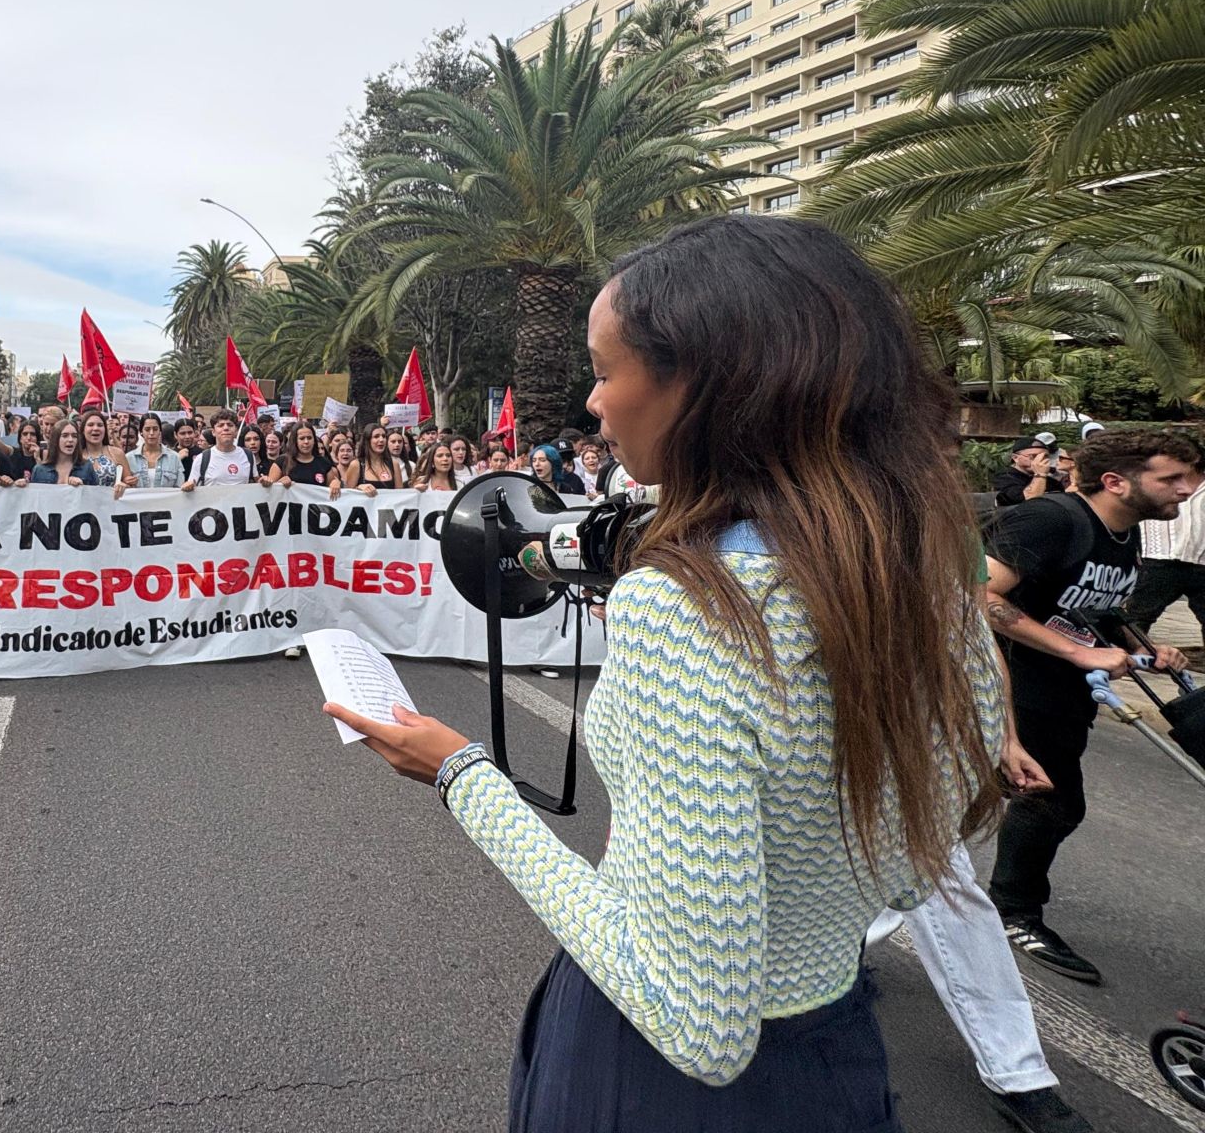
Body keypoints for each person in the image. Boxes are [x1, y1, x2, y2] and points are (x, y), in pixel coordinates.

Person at [324, 216, 1004, 1131]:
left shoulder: (686, 609)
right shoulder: (924, 567)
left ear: (707, 383)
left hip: (649, 1084)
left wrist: (459, 774)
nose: (594, 406)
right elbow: (917, 865)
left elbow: (696, 1026)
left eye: (605, 371)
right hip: (836, 1056)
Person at [985, 429, 1199, 983]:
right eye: (1171, 478)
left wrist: (1142, 648)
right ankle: (1010, 912)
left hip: (1059, 692)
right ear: (1115, 481)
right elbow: (976, 597)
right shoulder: (1051, 520)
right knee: (1048, 801)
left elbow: (1092, 608)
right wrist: (1079, 655)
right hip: (1007, 684)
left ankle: (988, 906)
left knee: (1028, 801)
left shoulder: (1121, 535)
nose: (1188, 489)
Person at [1125, 478, 1204, 643]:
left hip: (1202, 560)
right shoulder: (1154, 476)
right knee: (1136, 619)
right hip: (1157, 558)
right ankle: (1123, 661)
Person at [181, 413, 255, 489]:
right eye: (220, 425)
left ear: (236, 431)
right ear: (213, 432)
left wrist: (264, 481)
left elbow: (257, 482)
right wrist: (187, 487)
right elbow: (191, 484)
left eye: (230, 425)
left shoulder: (248, 455)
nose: (226, 428)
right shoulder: (202, 459)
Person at [994, 437, 1066, 506]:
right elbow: (1029, 501)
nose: (1040, 460)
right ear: (1016, 458)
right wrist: (1040, 475)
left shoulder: (1051, 481)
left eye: (1045, 456)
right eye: (1033, 456)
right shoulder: (1005, 477)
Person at [29, 420, 101, 486]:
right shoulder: (40, 470)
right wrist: (21, 487)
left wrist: (82, 487)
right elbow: (34, 497)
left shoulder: (86, 467)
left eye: (74, 436)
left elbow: (95, 496)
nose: (70, 440)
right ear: (55, 439)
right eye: (65, 436)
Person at [123, 414, 184, 489]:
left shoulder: (174, 457)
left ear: (160, 431)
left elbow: (179, 488)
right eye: (147, 429)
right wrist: (124, 482)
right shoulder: (129, 458)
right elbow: (123, 489)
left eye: (155, 429)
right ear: (141, 432)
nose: (151, 433)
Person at [344, 424, 407, 494]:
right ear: (367, 440)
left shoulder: (394, 464)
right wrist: (359, 488)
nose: (381, 440)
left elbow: (400, 495)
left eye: (384, 436)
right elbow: (347, 494)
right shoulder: (356, 465)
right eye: (376, 436)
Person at [77, 409, 129, 489]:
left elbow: (131, 485)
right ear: (83, 430)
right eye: (90, 425)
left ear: (105, 429)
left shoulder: (117, 453)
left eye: (100, 425)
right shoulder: (76, 455)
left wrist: (125, 485)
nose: (95, 428)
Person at [283, 423, 333, 489]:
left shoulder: (324, 463)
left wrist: (335, 483)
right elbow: (270, 491)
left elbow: (331, 490)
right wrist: (279, 483)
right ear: (295, 440)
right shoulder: (282, 461)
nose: (306, 442)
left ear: (314, 440)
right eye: (302, 438)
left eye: (309, 438)